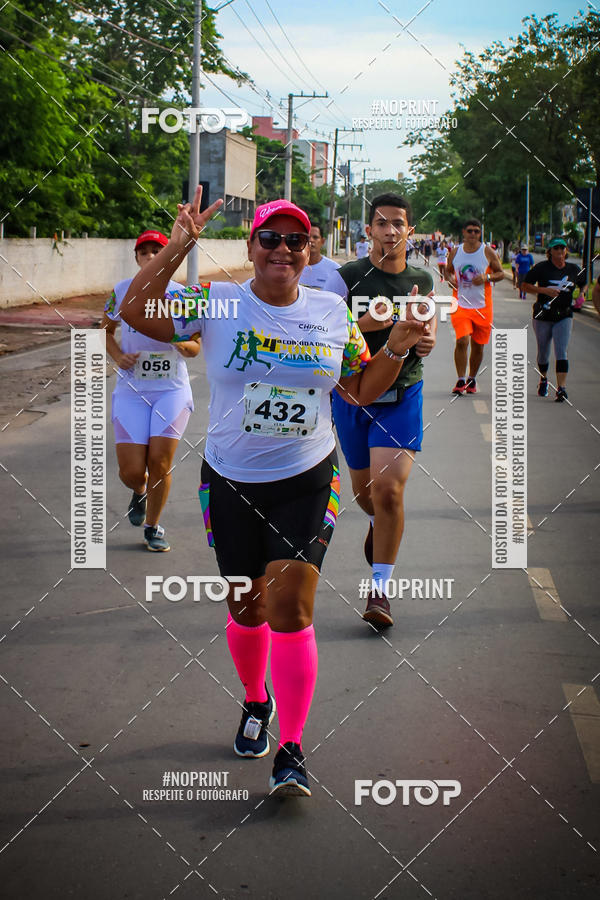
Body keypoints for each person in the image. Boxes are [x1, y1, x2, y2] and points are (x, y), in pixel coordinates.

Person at [120, 191, 427, 797]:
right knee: (246, 606)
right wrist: (178, 245)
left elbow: (360, 389)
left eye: (295, 240)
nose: (282, 250)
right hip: (230, 480)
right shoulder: (217, 302)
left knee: (292, 608)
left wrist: (397, 345)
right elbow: (134, 309)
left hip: (307, 478)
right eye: (270, 239)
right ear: (252, 247)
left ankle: (291, 747)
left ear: (309, 250)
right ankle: (255, 699)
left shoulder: (331, 312)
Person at [323, 193, 436, 628]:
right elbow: (326, 332)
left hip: (402, 393)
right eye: (381, 223)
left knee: (389, 492)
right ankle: (381, 524)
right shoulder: (345, 276)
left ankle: (380, 592)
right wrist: (372, 322)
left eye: (398, 223)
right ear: (368, 230)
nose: (390, 230)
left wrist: (424, 342)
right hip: (352, 395)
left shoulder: (422, 281)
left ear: (410, 230)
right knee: (365, 495)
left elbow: (429, 336)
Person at [102, 229, 201, 551]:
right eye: (144, 252)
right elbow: (105, 330)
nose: (150, 257)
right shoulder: (121, 291)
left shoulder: (181, 295)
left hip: (171, 390)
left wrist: (182, 344)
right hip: (132, 390)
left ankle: (153, 526)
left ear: (167, 256)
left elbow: (195, 346)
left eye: (156, 251)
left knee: (159, 461)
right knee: (132, 471)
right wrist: (119, 356)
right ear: (137, 258)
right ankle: (139, 490)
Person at [522, 237, 586, 402]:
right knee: (543, 352)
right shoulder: (541, 268)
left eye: (562, 248)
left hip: (564, 315)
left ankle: (561, 388)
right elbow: (525, 285)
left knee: (561, 351)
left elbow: (583, 282)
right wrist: (544, 290)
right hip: (543, 314)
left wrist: (582, 294)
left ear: (566, 251)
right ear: (549, 251)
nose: (559, 251)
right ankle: (543, 379)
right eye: (556, 248)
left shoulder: (573, 269)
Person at [445, 218, 504, 395]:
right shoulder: (455, 252)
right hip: (460, 304)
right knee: (462, 340)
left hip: (482, 307)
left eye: (476, 231)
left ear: (480, 233)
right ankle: (460, 379)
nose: (473, 234)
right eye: (469, 230)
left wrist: (486, 278)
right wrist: (450, 280)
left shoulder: (487, 252)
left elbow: (500, 273)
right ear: (463, 232)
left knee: (478, 346)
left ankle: (472, 379)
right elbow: (447, 271)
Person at [299, 223, 340, 289]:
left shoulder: (335, 270)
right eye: (307, 237)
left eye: (315, 237)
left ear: (322, 241)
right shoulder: (292, 267)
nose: (311, 240)